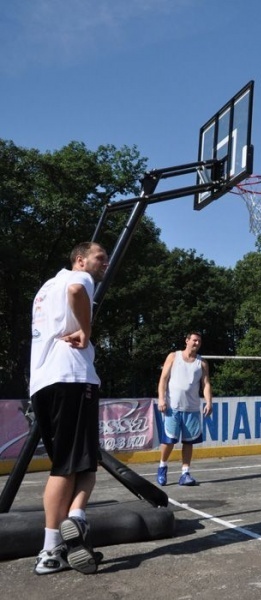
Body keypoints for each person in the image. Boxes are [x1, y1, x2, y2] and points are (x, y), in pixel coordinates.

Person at [29, 242, 109, 575]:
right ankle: (76, 520)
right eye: (99, 258)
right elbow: (78, 289)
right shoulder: (80, 278)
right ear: (80, 260)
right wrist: (87, 332)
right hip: (73, 378)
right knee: (87, 464)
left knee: (63, 464)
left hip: (42, 381)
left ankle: (51, 551)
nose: (103, 264)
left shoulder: (45, 288)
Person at [156, 332, 212, 487]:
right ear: (187, 341)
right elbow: (163, 379)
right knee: (169, 441)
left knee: (189, 442)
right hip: (173, 407)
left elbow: (206, 384)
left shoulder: (202, 363)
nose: (196, 343)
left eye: (199, 341)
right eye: (194, 340)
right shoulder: (174, 356)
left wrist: (209, 402)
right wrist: (161, 399)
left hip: (192, 408)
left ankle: (185, 473)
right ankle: (162, 466)